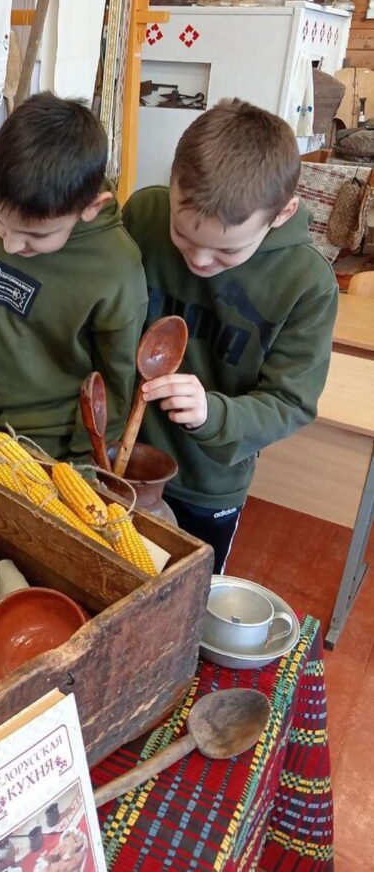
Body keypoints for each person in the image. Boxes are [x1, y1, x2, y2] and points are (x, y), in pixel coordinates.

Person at [123, 99, 338, 572]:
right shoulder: (144, 214)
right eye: (183, 235)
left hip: (207, 481)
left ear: (282, 214)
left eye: (226, 252)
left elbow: (290, 402)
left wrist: (212, 414)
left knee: (187, 596)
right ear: (173, 183)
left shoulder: (306, 283)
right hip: (120, 459)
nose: (199, 260)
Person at [0, 92, 147, 459]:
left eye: (35, 236)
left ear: (91, 208)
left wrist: (85, 458)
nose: (9, 244)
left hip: (43, 443)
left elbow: (114, 385)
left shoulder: (116, 269)